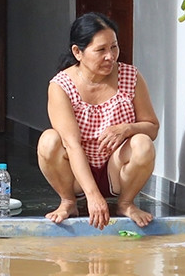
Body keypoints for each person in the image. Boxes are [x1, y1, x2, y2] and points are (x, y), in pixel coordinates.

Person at [39, 13, 159, 228]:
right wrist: (93, 196)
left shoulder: (131, 76)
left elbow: (152, 127)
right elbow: (71, 144)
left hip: (116, 169)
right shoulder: (61, 86)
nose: (110, 56)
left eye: (114, 47)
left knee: (142, 143)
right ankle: (68, 202)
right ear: (78, 52)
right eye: (101, 50)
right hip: (76, 172)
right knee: (49, 140)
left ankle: (125, 203)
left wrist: (127, 129)